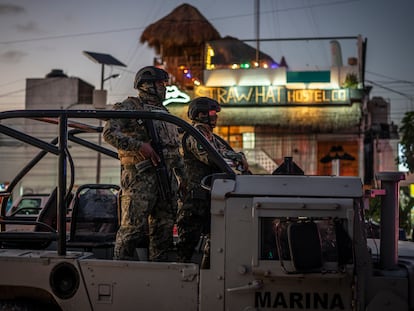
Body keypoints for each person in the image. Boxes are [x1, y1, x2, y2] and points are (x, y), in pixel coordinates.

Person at [103, 66, 183, 261]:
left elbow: (174, 150)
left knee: (163, 230)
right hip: (140, 180)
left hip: (166, 180)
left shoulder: (164, 113)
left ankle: (157, 275)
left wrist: (183, 178)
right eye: (160, 83)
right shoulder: (131, 106)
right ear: (146, 85)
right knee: (132, 230)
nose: (164, 87)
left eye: (164, 83)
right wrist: (140, 146)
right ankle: (119, 273)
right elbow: (109, 133)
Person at [176, 96, 250, 265]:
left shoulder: (211, 137)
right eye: (211, 112)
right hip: (194, 200)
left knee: (216, 243)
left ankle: (207, 278)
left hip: (211, 197)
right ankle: (179, 283)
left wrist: (239, 159)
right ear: (200, 114)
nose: (215, 116)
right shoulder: (194, 134)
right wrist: (237, 158)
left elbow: (226, 154)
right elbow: (212, 157)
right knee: (186, 246)